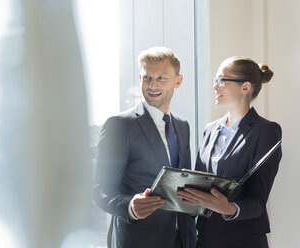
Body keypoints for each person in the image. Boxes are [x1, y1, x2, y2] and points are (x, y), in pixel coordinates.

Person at [93, 47, 196, 248]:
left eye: (161, 78)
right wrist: (131, 207)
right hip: (138, 241)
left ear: (178, 81)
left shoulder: (182, 126)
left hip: (182, 240)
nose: (152, 85)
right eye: (147, 78)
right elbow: (101, 191)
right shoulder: (120, 125)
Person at [177, 56, 282, 248]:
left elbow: (258, 201)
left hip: (243, 240)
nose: (215, 86)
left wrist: (229, 208)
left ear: (245, 87)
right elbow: (200, 183)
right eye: (215, 80)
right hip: (206, 238)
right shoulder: (210, 129)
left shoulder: (266, 131)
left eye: (222, 80)